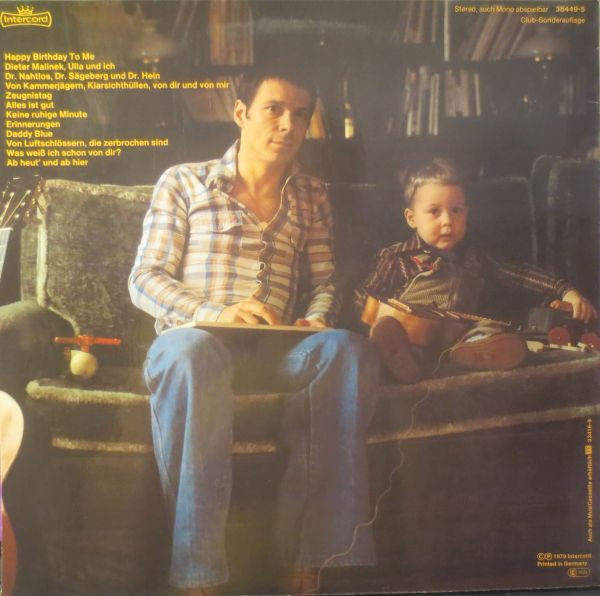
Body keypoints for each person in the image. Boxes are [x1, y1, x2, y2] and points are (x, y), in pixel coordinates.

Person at [128, 65, 380, 595]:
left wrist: (317, 318)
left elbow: (325, 282)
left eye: (301, 115)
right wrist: (214, 313)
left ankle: (309, 558)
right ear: (241, 113)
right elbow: (145, 279)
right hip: (195, 342)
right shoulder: (184, 181)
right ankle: (197, 575)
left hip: (276, 351)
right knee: (192, 352)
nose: (288, 125)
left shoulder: (312, 194)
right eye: (274, 109)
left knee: (347, 349)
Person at [356, 158, 597, 384]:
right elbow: (363, 295)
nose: (447, 221)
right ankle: (403, 359)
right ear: (411, 218)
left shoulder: (475, 258)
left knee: (488, 329)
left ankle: (480, 350)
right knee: (393, 331)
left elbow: (520, 274)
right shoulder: (397, 258)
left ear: (467, 214)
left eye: (456, 210)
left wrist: (564, 289)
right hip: (413, 334)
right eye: (434, 212)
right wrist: (383, 312)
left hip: (458, 336)